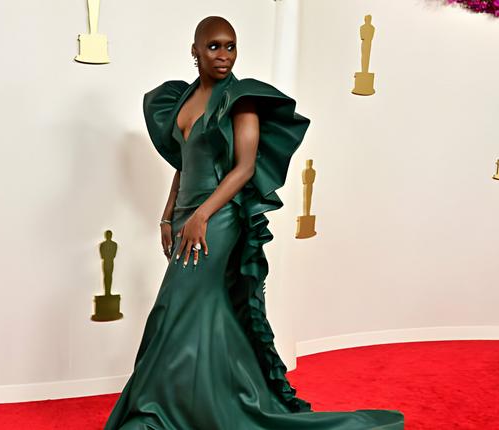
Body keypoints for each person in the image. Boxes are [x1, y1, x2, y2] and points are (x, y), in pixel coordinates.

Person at [103, 16, 404, 430]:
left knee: (172, 308)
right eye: (213, 47)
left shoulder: (242, 100)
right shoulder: (182, 100)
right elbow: (183, 164)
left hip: (218, 219)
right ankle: (221, 399)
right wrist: (168, 215)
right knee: (205, 311)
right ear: (195, 50)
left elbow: (243, 169)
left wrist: (202, 216)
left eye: (230, 46)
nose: (223, 55)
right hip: (187, 218)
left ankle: (158, 410)